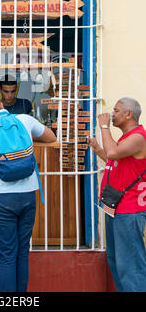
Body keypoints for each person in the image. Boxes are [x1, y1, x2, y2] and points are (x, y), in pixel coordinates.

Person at [0, 90, 56, 292]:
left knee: (7, 255)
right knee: (22, 253)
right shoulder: (25, 119)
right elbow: (51, 137)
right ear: (0, 105)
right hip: (28, 194)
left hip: (3, 198)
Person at [87, 97, 146, 292]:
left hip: (129, 211)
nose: (112, 114)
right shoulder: (126, 138)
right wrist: (97, 149)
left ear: (129, 114)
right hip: (116, 208)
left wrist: (103, 127)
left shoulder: (138, 138)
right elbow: (115, 160)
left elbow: (112, 153)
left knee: (130, 266)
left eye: (117, 110)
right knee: (117, 262)